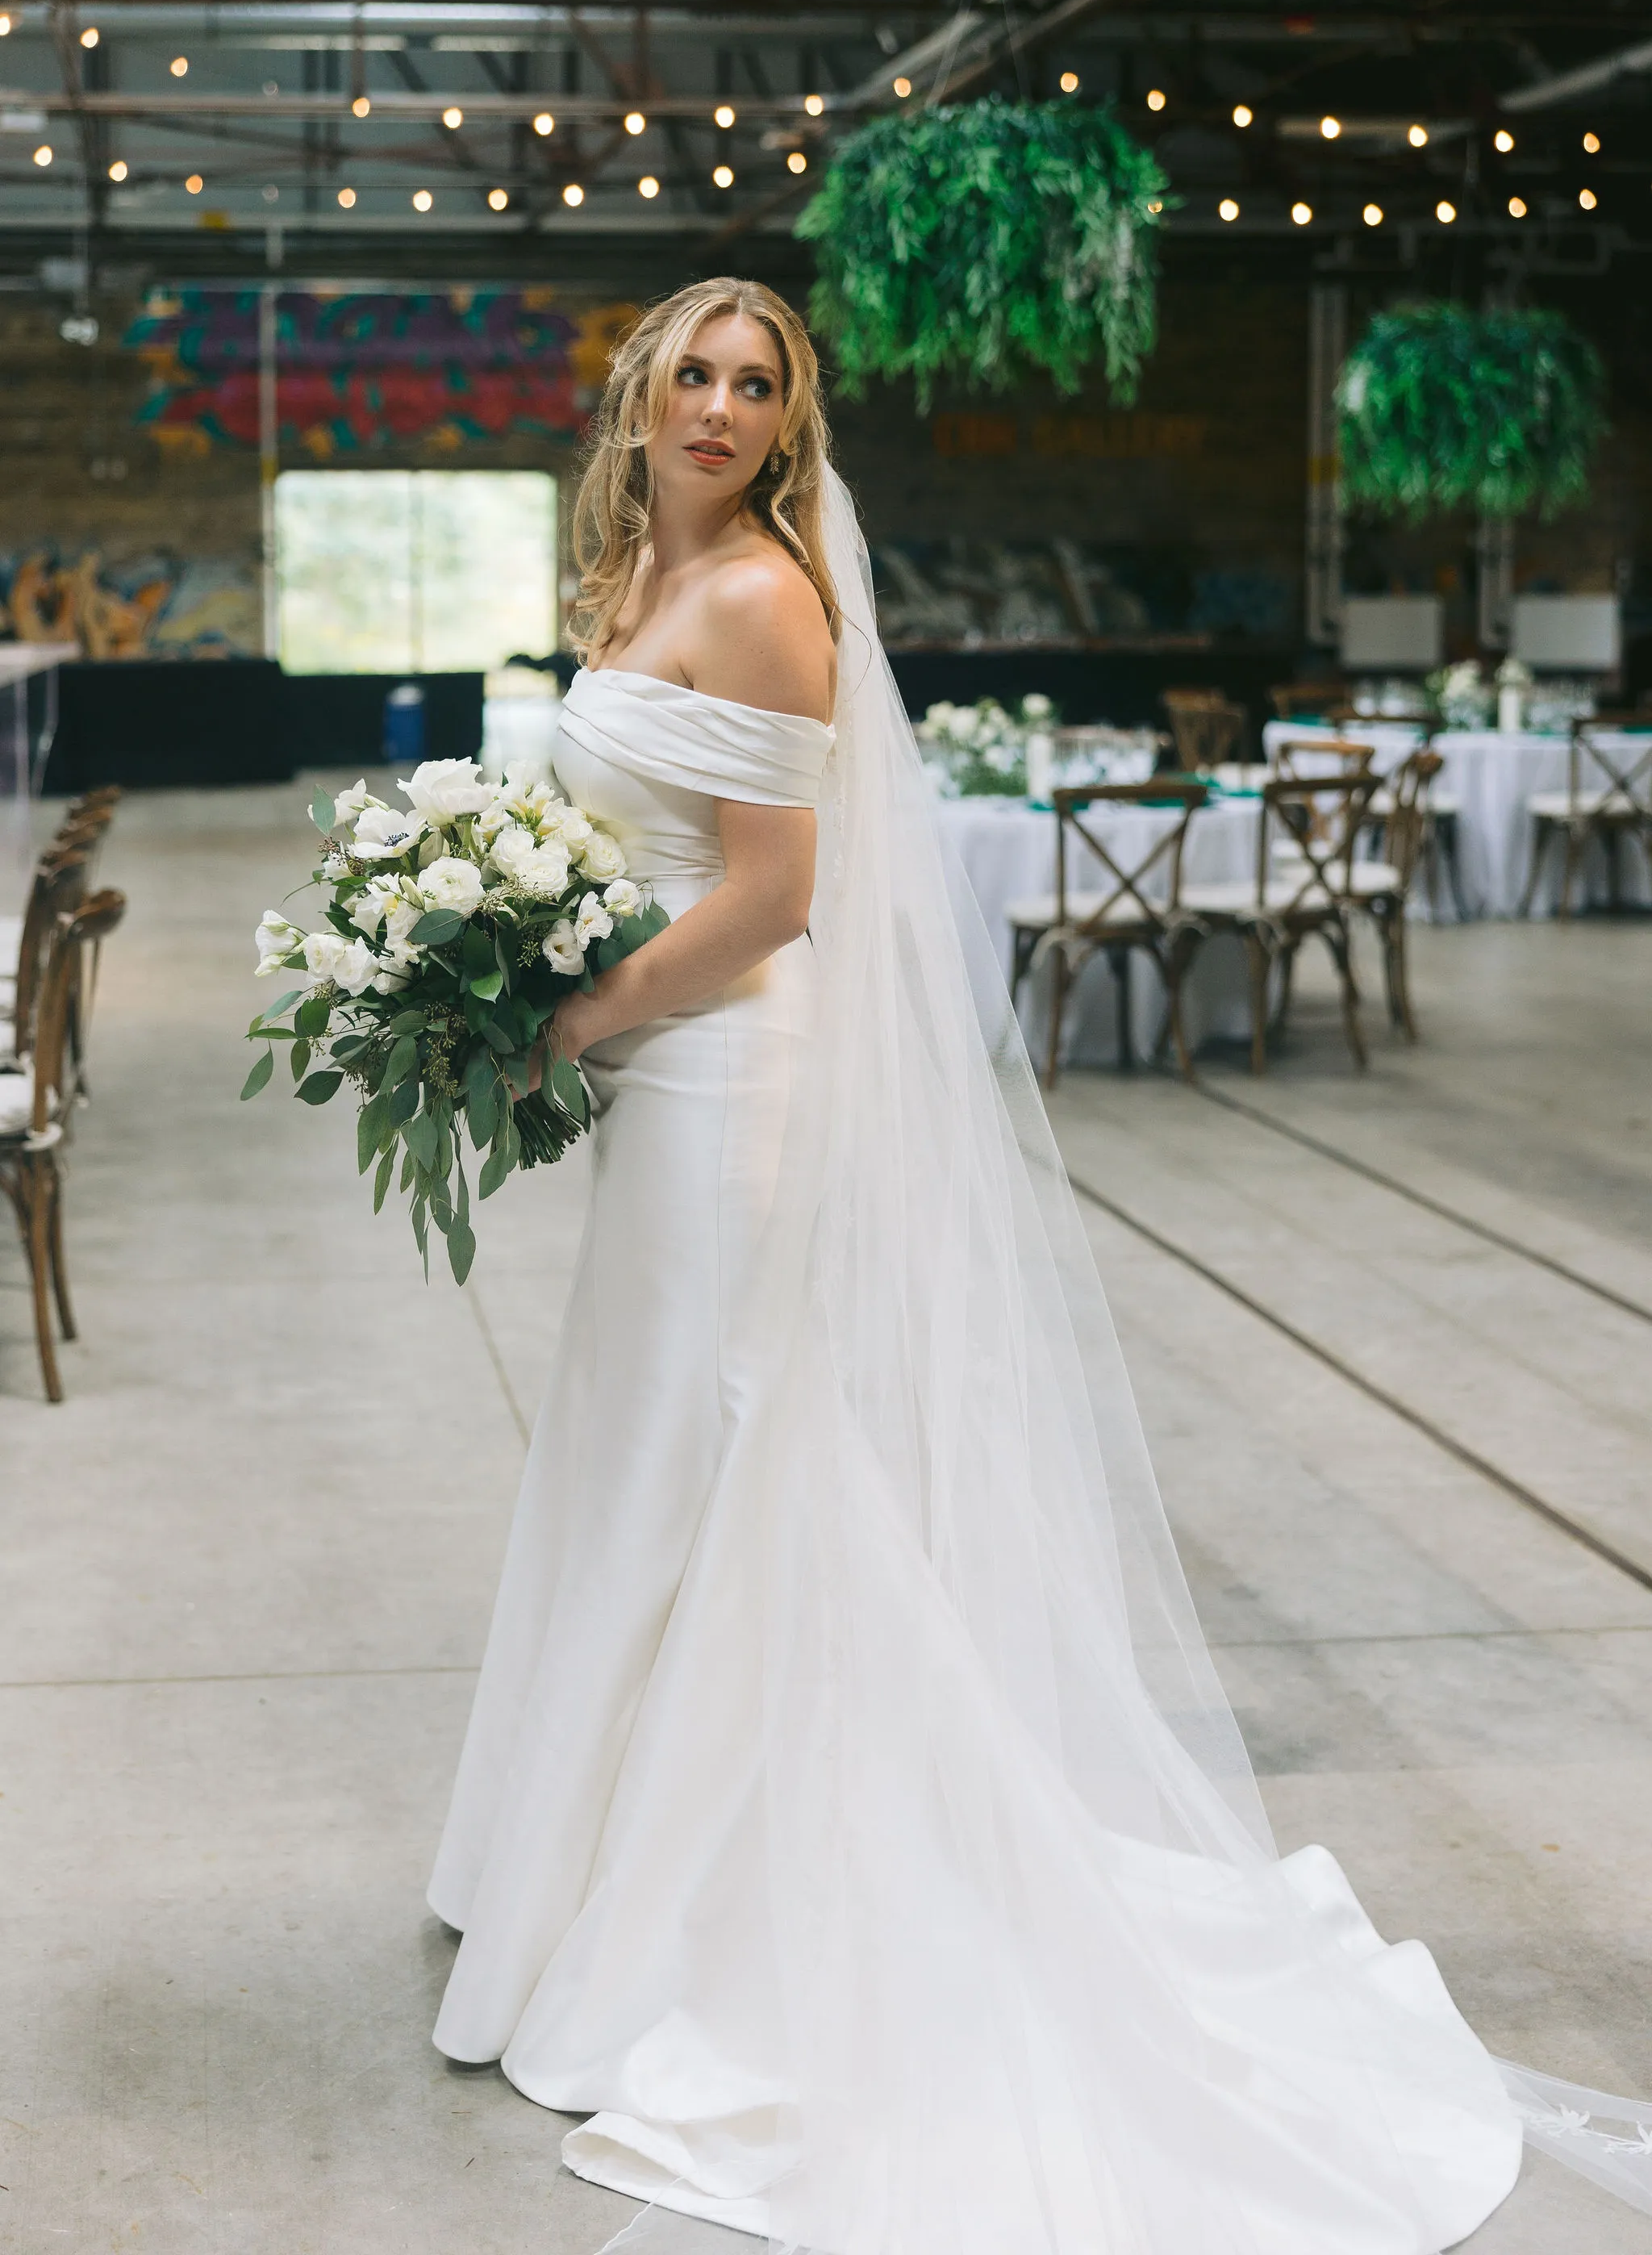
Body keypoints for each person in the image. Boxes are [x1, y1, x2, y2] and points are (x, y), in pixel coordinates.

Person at [428, 278, 1649, 2253]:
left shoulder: (754, 596)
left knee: (724, 1452)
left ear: (784, 423)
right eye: (696, 375)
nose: (721, 406)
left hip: (731, 1075)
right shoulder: (637, 576)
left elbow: (773, 895)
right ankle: (587, 1865)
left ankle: (729, 1896)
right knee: (643, 1450)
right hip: (669, 1071)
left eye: (759, 385)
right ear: (639, 394)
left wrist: (567, 1022)